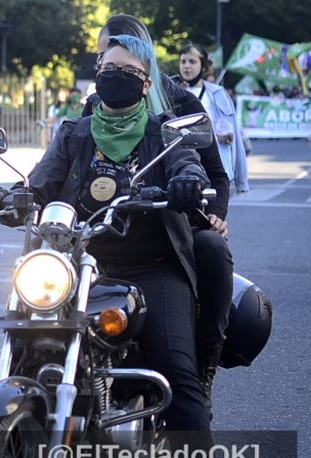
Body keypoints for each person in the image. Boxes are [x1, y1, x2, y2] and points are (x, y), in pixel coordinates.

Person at [0, 34, 236, 458]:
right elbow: (40, 183)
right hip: (79, 266)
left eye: (127, 70)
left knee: (178, 377)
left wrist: (186, 185)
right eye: (106, 66)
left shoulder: (164, 132)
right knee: (30, 342)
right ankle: (24, 455)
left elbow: (188, 166)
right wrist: (6, 196)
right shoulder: (74, 132)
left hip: (152, 266)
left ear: (144, 82)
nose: (114, 75)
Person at [87, 14, 233, 414]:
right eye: (103, 61)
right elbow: (63, 166)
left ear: (142, 64)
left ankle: (201, 368)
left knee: (210, 248)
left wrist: (211, 209)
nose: (107, 69)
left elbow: (213, 174)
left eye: (118, 63)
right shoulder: (90, 108)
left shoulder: (178, 103)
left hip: (168, 219)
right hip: (104, 228)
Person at [176, 43, 250, 195]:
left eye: (192, 62)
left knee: (214, 216)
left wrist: (241, 180)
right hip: (181, 168)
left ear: (203, 66)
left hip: (214, 169)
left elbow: (235, 133)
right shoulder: (171, 92)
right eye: (183, 61)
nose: (187, 66)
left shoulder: (218, 94)